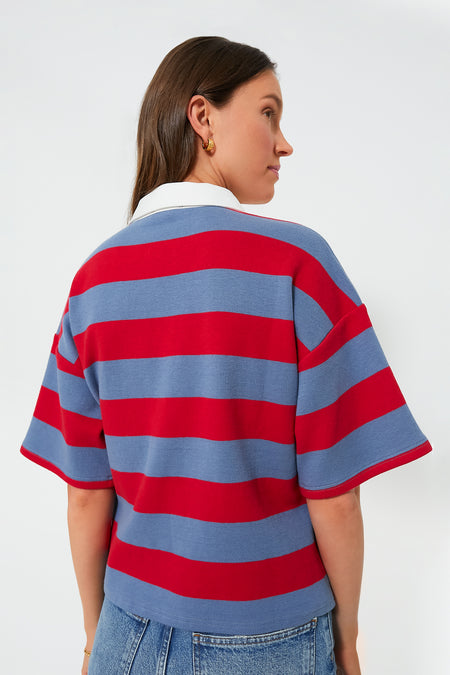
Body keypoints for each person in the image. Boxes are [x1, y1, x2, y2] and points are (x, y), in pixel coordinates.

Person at [21, 36, 432, 675]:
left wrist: (96, 638)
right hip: (272, 636)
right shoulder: (297, 264)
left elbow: (85, 493)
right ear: (202, 117)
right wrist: (348, 639)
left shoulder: (93, 281)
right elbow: (336, 496)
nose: (284, 143)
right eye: (268, 112)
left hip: (127, 629)